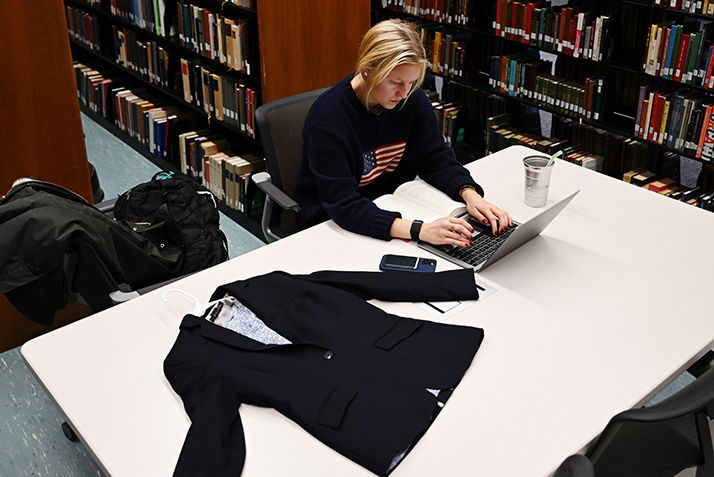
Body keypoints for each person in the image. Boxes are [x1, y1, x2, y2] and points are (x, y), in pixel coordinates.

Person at [293, 19, 511, 247]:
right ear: (367, 70)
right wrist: (421, 230)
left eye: (412, 82)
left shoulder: (411, 99)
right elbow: (343, 205)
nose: (404, 93)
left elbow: (436, 157)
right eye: (396, 82)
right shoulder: (328, 119)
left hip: (389, 207)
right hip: (329, 225)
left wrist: (470, 195)